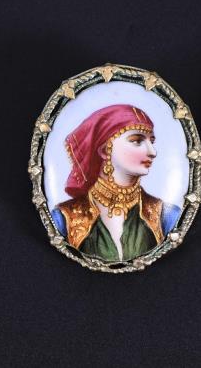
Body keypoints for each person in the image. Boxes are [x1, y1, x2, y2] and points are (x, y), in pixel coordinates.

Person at [51, 104, 181, 261]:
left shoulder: (167, 216)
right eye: (137, 141)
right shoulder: (63, 218)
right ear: (105, 150)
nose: (152, 152)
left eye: (151, 141)